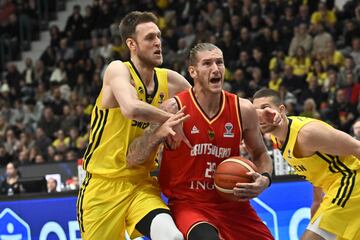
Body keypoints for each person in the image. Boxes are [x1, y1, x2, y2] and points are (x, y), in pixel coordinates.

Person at [127, 43, 274, 240]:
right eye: (207, 64)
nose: (215, 69)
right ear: (193, 72)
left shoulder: (243, 109)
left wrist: (264, 180)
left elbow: (261, 154)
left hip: (232, 203)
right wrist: (158, 134)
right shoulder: (173, 108)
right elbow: (133, 157)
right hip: (189, 204)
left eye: (219, 63)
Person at [76, 11, 191, 240]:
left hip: (141, 183)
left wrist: (250, 113)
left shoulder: (170, 80)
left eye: (158, 36)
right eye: (149, 38)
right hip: (102, 187)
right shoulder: (118, 70)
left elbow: (207, 103)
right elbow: (130, 107)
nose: (158, 42)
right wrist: (169, 119)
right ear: (132, 44)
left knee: (173, 237)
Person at [252, 88, 360, 240]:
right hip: (335, 189)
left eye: (265, 108)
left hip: (352, 182)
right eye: (256, 111)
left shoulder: (307, 133)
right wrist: (317, 202)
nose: (261, 115)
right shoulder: (277, 138)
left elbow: (356, 148)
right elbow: (319, 169)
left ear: (281, 110)